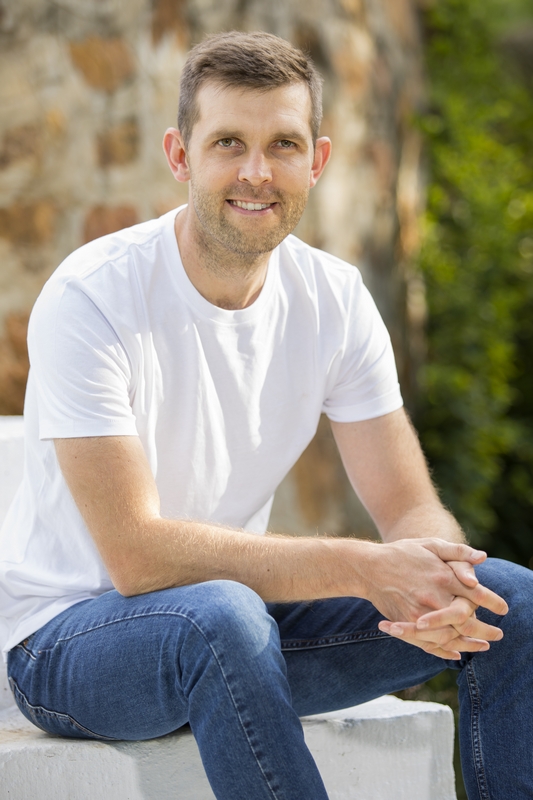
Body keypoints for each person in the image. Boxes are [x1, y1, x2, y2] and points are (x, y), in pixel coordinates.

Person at [0, 31, 531, 800]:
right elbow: (135, 556)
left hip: (233, 631)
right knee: (223, 614)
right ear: (180, 156)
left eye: (282, 144)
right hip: (69, 647)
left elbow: (407, 505)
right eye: (228, 143)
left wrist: (437, 586)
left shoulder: (333, 298)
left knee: (507, 600)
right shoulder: (94, 296)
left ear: (315, 161)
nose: (256, 172)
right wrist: (364, 568)